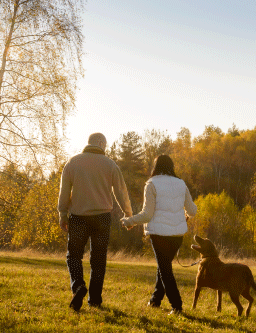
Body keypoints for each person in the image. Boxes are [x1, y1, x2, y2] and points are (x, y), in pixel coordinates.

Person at [58, 132, 133, 312]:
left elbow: (64, 190)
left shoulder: (73, 162)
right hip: (102, 217)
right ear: (100, 143)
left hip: (78, 217)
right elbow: (121, 192)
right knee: (98, 260)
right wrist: (128, 214)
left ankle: (78, 286)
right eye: (105, 144)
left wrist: (62, 213)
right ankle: (95, 300)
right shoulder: (110, 164)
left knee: (74, 255)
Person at [121, 154, 197, 315]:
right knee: (164, 267)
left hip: (159, 234)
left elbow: (147, 215)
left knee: (165, 270)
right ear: (171, 166)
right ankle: (155, 300)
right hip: (177, 235)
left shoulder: (151, 183)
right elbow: (192, 211)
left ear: (155, 166)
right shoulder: (181, 184)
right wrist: (182, 213)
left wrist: (130, 221)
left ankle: (177, 306)